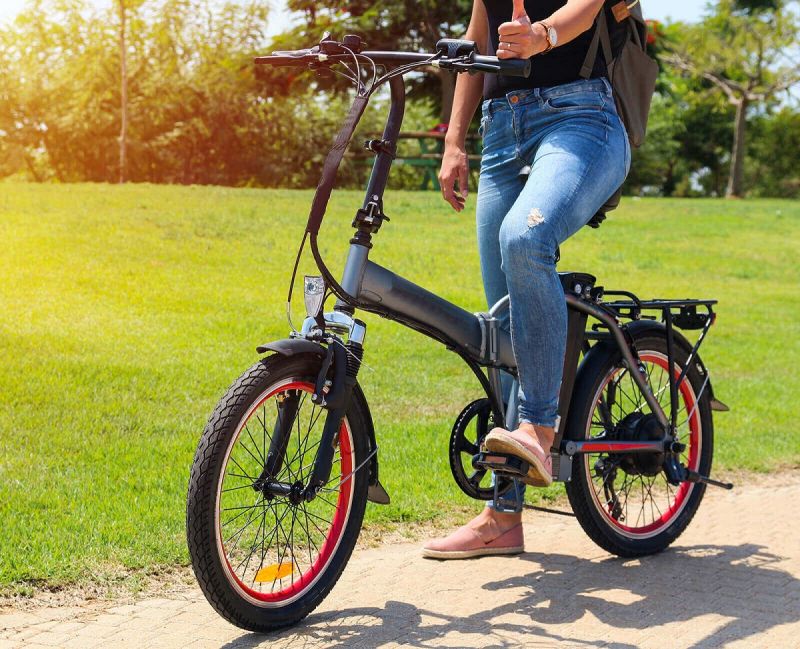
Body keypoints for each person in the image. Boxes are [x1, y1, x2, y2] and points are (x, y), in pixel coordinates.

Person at [422, 0, 630, 559]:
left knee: (525, 238)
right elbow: (474, 49)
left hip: (581, 119)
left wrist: (540, 35)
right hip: (502, 131)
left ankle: (538, 426)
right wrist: (453, 140)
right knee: (506, 335)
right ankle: (503, 518)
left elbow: (585, 11)